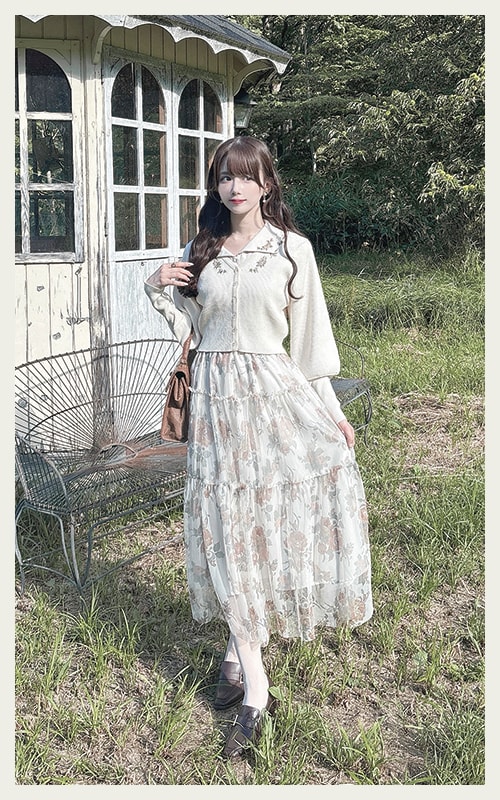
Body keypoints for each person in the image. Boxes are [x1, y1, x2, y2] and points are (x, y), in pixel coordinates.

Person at [144, 136, 373, 760]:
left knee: (263, 527)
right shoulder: (202, 250)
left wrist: (333, 415)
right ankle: (254, 681)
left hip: (275, 401)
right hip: (217, 409)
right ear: (215, 185)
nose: (235, 187)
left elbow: (311, 345)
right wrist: (158, 286)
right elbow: (188, 330)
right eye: (225, 176)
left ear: (267, 183)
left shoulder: (293, 250)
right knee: (228, 528)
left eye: (247, 176)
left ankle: (240, 663)